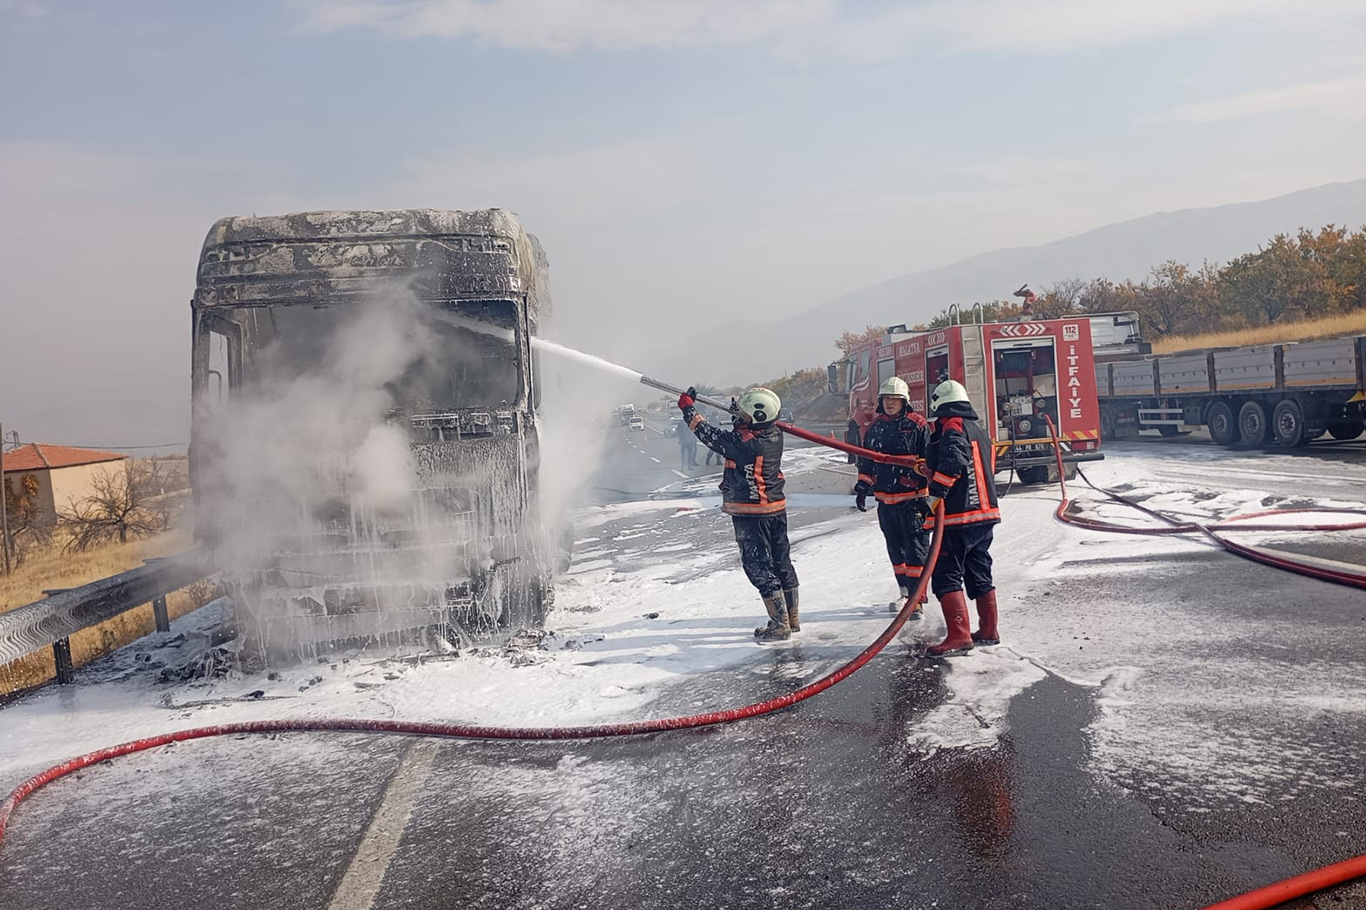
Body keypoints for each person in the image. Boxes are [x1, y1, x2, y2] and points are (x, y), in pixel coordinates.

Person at [678, 386, 799, 641]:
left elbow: (709, 435)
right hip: (775, 509)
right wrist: (739, 414)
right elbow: (743, 430)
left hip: (752, 512)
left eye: (744, 414)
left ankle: (779, 625)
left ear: (755, 418)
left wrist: (689, 410)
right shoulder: (772, 434)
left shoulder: (744, 444)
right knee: (781, 563)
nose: (740, 417)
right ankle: (792, 617)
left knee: (758, 566)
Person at [919, 379, 1001, 656]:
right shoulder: (977, 428)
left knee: (946, 574)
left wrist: (936, 494)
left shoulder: (952, 426)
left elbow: (954, 459)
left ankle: (959, 635)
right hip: (984, 514)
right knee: (979, 570)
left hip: (956, 517)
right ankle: (989, 629)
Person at [852, 377, 932, 616]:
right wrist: (862, 485)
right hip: (886, 502)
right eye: (887, 399)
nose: (890, 404)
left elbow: (929, 459)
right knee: (895, 551)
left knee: (916, 550)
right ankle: (905, 593)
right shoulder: (876, 427)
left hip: (913, 501)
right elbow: (866, 459)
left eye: (895, 400)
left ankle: (917, 598)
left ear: (904, 402)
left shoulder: (917, 425)